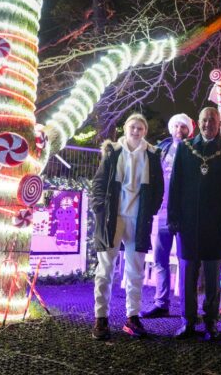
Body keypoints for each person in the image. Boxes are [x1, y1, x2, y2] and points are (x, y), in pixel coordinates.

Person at [169, 107, 221, 341]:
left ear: (219, 122)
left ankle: (211, 322)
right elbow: (175, 184)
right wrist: (174, 216)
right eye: (204, 120)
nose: (208, 123)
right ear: (198, 123)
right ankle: (188, 321)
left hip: (217, 224)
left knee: (212, 276)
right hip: (188, 223)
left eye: (212, 119)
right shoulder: (185, 148)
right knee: (188, 274)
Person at [90, 113, 164, 340]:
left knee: (136, 270)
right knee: (105, 269)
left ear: (145, 131)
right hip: (113, 217)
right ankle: (101, 318)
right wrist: (100, 209)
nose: (136, 131)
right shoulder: (112, 152)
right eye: (132, 127)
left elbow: (159, 187)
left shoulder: (152, 154)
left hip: (138, 219)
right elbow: (99, 182)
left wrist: (150, 210)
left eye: (140, 128)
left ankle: (132, 317)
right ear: (125, 129)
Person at [140, 113, 194, 319]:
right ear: (171, 128)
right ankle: (161, 302)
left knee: (184, 260)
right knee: (159, 259)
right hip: (161, 211)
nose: (179, 131)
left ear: (189, 131)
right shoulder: (161, 149)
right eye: (176, 126)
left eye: (183, 127)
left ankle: (186, 308)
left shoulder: (192, 151)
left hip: (183, 213)